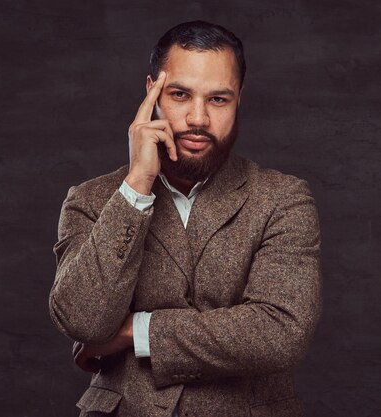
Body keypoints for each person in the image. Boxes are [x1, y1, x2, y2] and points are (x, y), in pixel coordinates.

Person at [49, 20, 322, 417]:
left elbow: (281, 332)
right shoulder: (92, 199)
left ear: (239, 99)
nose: (198, 118)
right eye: (180, 94)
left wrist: (132, 332)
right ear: (152, 93)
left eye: (218, 99)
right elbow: (83, 321)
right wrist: (137, 183)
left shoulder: (283, 198)